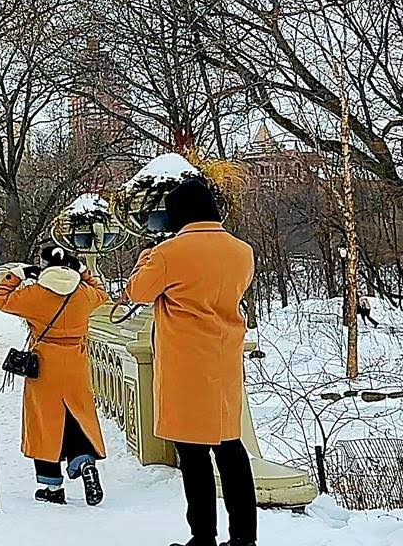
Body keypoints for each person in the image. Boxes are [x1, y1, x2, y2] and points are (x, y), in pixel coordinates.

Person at [125, 177, 258, 546]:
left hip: (185, 365)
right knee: (231, 450)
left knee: (193, 456)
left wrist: (146, 258)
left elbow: (137, 292)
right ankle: (245, 537)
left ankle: (203, 537)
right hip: (224, 359)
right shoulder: (241, 251)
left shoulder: (170, 253)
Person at [0, 245, 107, 506]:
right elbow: (103, 293)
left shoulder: (36, 294)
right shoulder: (83, 294)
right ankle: (84, 462)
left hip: (44, 365)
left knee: (46, 424)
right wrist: (83, 272)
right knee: (76, 417)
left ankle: (52, 487)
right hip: (76, 363)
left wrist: (18, 274)